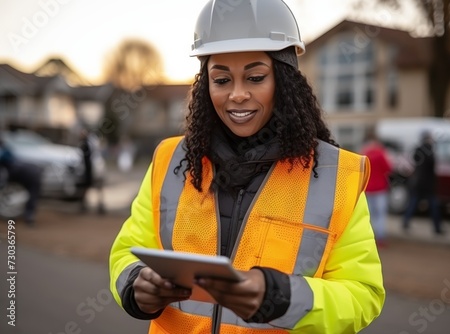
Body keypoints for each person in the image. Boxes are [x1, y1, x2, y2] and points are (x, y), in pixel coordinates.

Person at [109, 1, 385, 333]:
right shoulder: (171, 161)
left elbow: (362, 295)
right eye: (221, 80)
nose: (237, 94)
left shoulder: (336, 176)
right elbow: (127, 251)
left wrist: (281, 297)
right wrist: (138, 285)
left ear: (284, 80)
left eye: (255, 77)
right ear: (205, 84)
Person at [402, 130, 444, 235]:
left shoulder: (418, 150)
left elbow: (414, 161)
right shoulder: (429, 151)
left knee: (413, 203)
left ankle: (405, 222)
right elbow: (432, 164)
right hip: (427, 184)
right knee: (433, 205)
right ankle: (437, 228)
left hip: (417, 182)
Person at [0, 136, 42, 226]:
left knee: (31, 195)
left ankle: (28, 216)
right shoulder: (6, 150)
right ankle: (26, 215)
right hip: (28, 172)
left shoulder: (4, 152)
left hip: (27, 174)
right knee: (31, 195)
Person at [361, 130, 392, 248]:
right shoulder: (381, 153)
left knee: (370, 214)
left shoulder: (364, 153)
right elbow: (388, 168)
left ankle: (370, 237)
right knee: (381, 214)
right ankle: (381, 237)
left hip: (368, 188)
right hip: (380, 188)